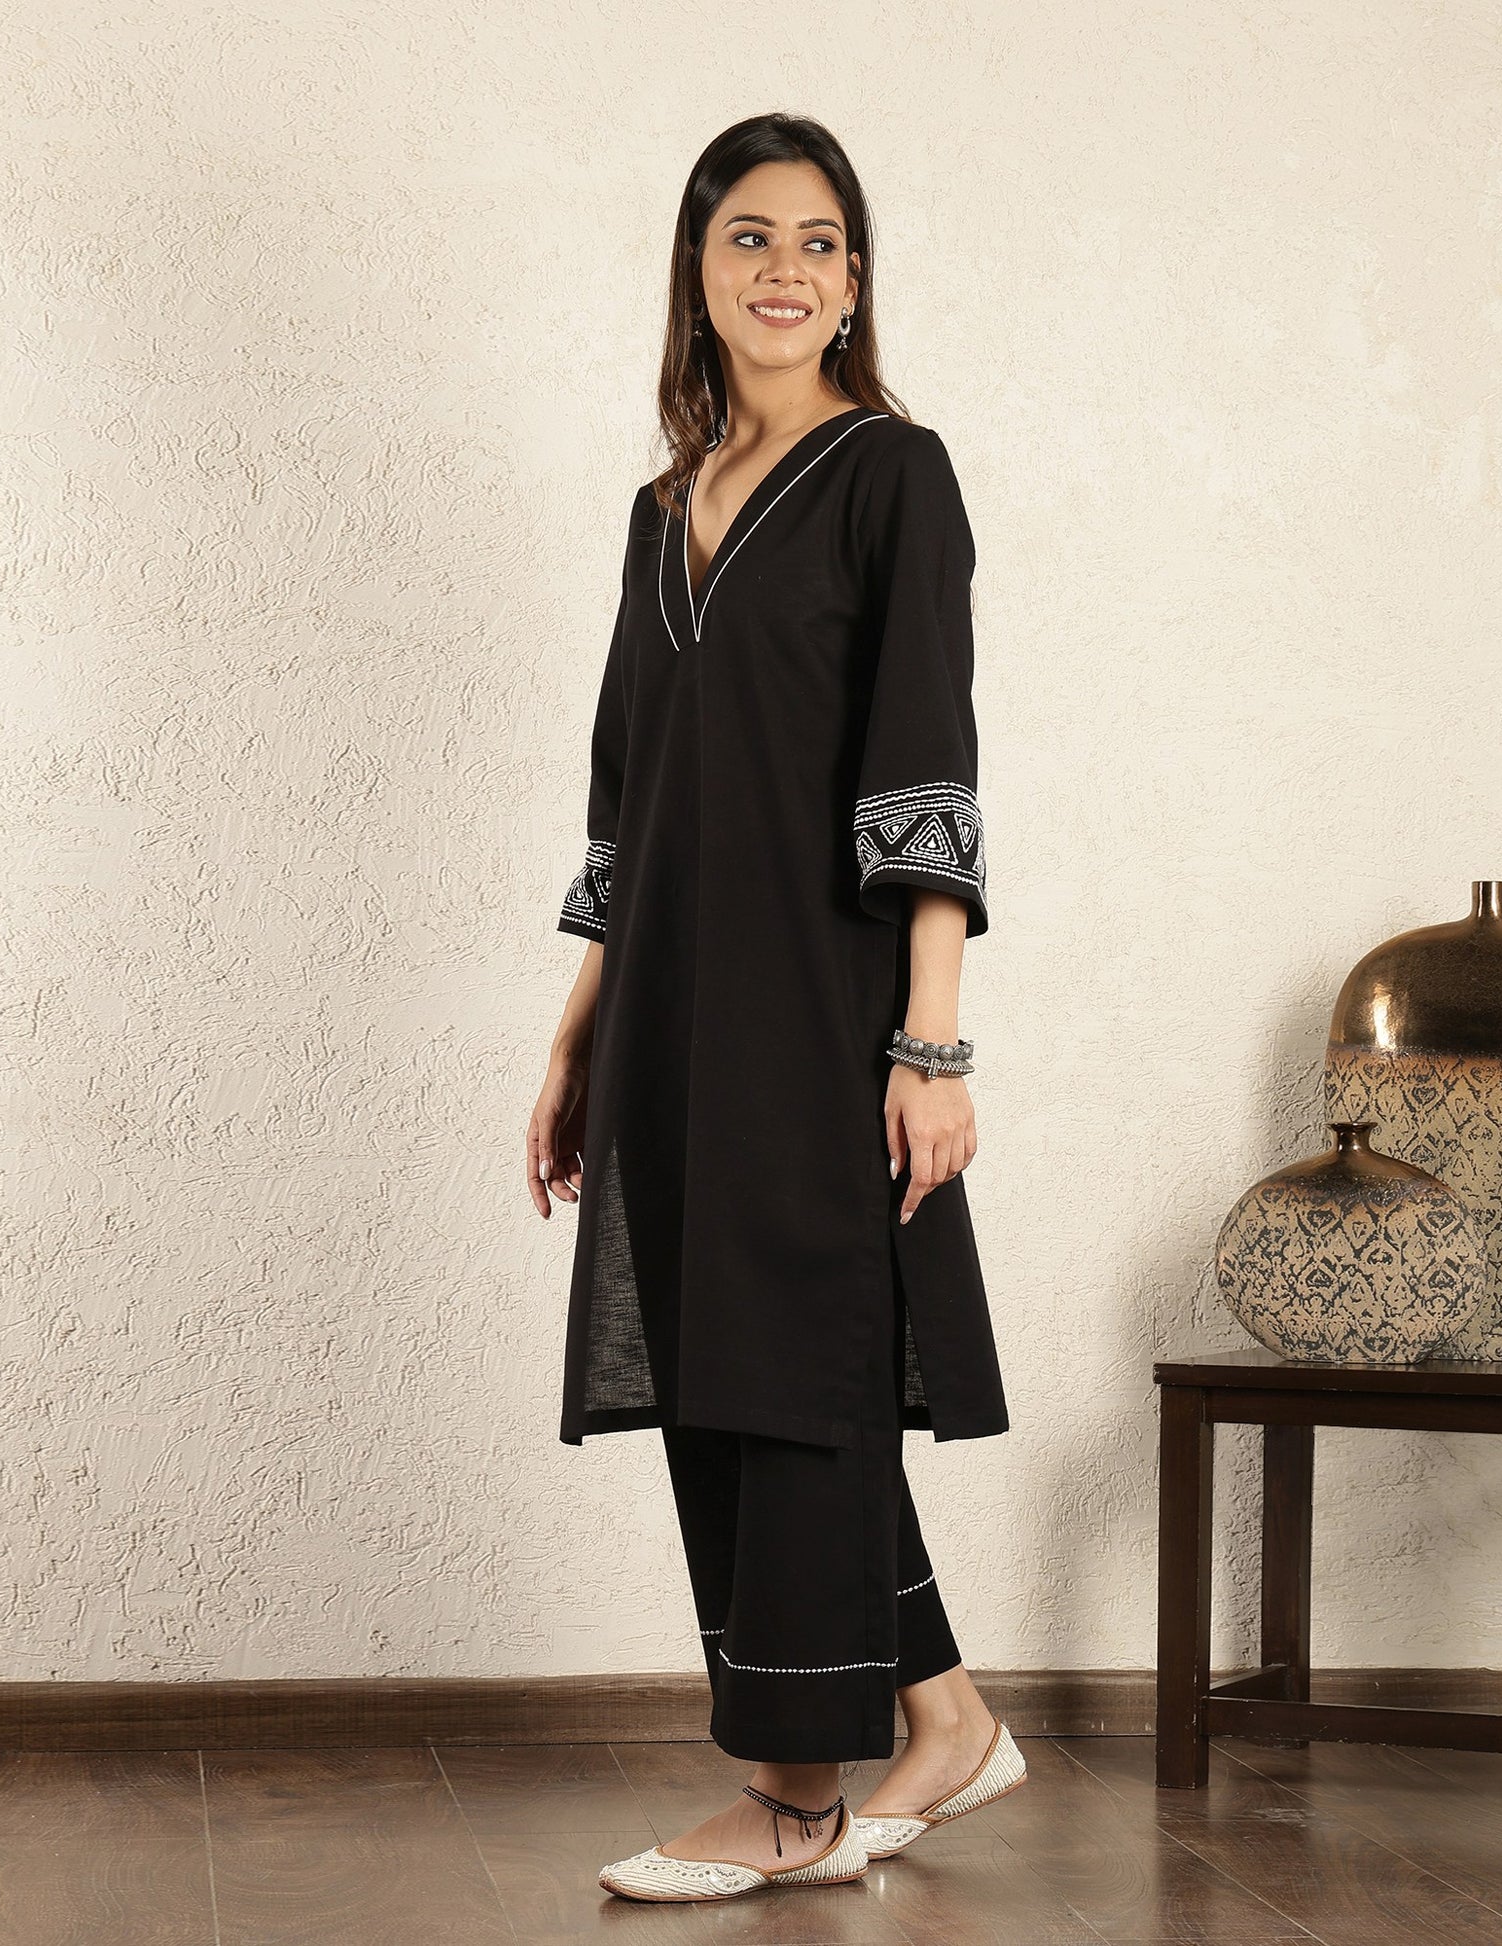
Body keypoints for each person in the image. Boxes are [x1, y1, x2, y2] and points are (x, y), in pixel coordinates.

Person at [526, 112, 1021, 1905]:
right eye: (749, 237)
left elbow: (926, 765)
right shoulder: (659, 512)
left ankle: (794, 1793)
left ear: (856, 281)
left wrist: (929, 1040)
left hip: (820, 1007)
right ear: (698, 271)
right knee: (725, 1370)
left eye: (819, 241)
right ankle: (945, 1717)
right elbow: (628, 797)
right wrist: (577, 1030)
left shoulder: (894, 476)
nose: (785, 270)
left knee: (802, 1368)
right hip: (666, 1013)